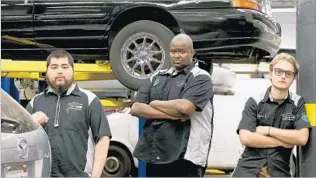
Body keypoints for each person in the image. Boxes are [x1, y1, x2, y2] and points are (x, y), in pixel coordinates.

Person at [130, 34, 214, 177]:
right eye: (173, 51)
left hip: (186, 155)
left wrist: (154, 103)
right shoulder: (157, 77)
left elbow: (185, 107)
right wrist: (173, 115)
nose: (177, 55)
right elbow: (136, 108)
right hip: (156, 151)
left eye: (182, 51)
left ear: (192, 53)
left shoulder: (200, 77)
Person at [26, 49, 112, 177]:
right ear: (47, 71)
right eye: (54, 67)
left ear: (72, 70)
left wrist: (95, 176)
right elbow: (21, 137)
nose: (59, 71)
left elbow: (103, 138)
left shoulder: (89, 100)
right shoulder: (35, 102)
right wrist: (30, 121)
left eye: (64, 67)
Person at [232, 53, 311, 177]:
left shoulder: (298, 103)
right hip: (248, 170)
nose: (283, 76)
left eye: (288, 73)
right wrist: (282, 142)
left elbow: (302, 138)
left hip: (279, 171)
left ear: (293, 78)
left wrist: (267, 130)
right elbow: (246, 138)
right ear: (270, 73)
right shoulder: (254, 101)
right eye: (279, 71)